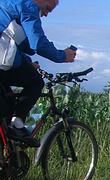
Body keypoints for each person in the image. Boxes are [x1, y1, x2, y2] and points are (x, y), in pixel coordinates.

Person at [0, 0, 76, 147]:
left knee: (7, 102)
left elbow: (16, 43)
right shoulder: (26, 5)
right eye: (48, 8)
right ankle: (17, 125)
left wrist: (28, 62)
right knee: (36, 82)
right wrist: (62, 56)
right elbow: (37, 43)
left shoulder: (8, 4)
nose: (46, 14)